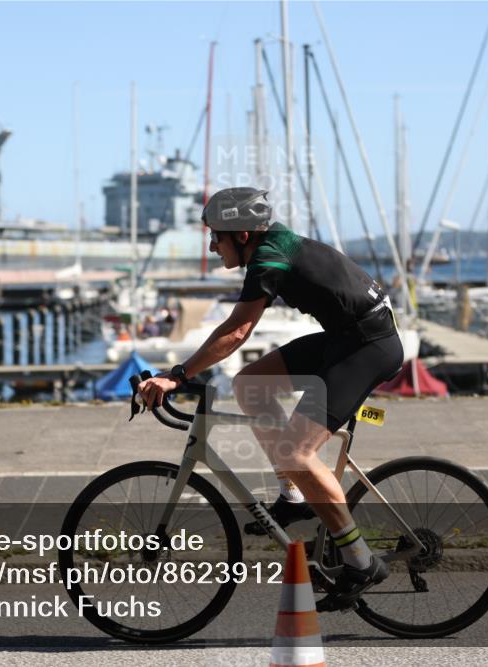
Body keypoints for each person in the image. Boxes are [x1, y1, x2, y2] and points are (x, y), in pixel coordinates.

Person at [137, 187, 404, 610]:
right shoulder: (272, 247)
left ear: (242, 235)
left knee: (297, 452)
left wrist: (178, 375)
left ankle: (360, 560)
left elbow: (238, 331)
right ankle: (293, 496)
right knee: (249, 384)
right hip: (345, 339)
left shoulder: (269, 257)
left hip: (367, 347)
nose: (212, 246)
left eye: (216, 237)